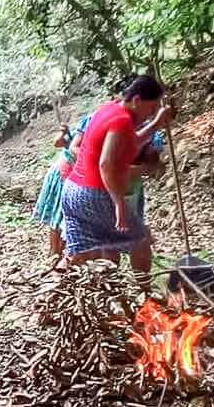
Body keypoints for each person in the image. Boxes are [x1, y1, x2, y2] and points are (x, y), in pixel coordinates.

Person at [61, 75, 173, 274]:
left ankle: (67, 289)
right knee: (141, 239)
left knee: (85, 248)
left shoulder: (111, 109)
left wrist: (156, 124)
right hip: (93, 193)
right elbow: (106, 163)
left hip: (72, 191)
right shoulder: (121, 121)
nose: (151, 113)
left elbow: (129, 144)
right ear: (137, 100)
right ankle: (146, 293)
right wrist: (119, 203)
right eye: (151, 107)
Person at [33, 114, 91, 254]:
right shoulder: (79, 135)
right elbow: (57, 143)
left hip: (78, 179)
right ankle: (54, 252)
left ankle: (63, 252)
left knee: (69, 217)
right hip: (62, 176)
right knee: (58, 215)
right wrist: (63, 133)